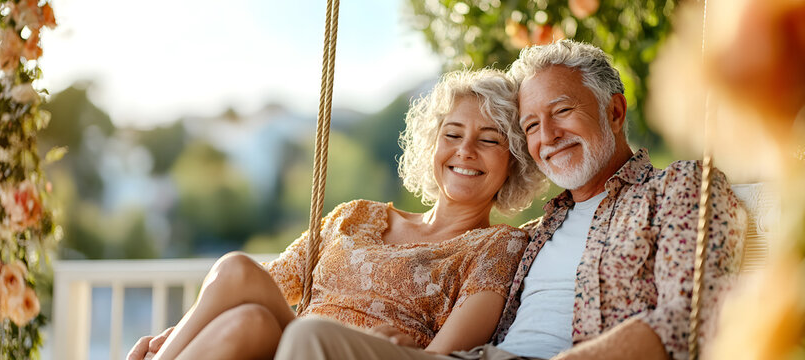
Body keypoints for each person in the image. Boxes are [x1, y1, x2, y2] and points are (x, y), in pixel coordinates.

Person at [274, 40, 747, 360]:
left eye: (562, 112)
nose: (549, 136)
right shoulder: (536, 233)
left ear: (615, 111)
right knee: (288, 328)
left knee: (310, 338)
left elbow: (691, 314)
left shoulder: (679, 190)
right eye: (532, 126)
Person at [125, 68, 547, 360]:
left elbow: (444, 357)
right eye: (452, 134)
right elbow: (264, 285)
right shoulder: (357, 215)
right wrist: (174, 334)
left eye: (489, 140)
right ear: (431, 145)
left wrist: (399, 349)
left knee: (249, 295)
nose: (465, 150)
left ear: (513, 160)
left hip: (353, 354)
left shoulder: (497, 245)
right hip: (289, 344)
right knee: (244, 301)